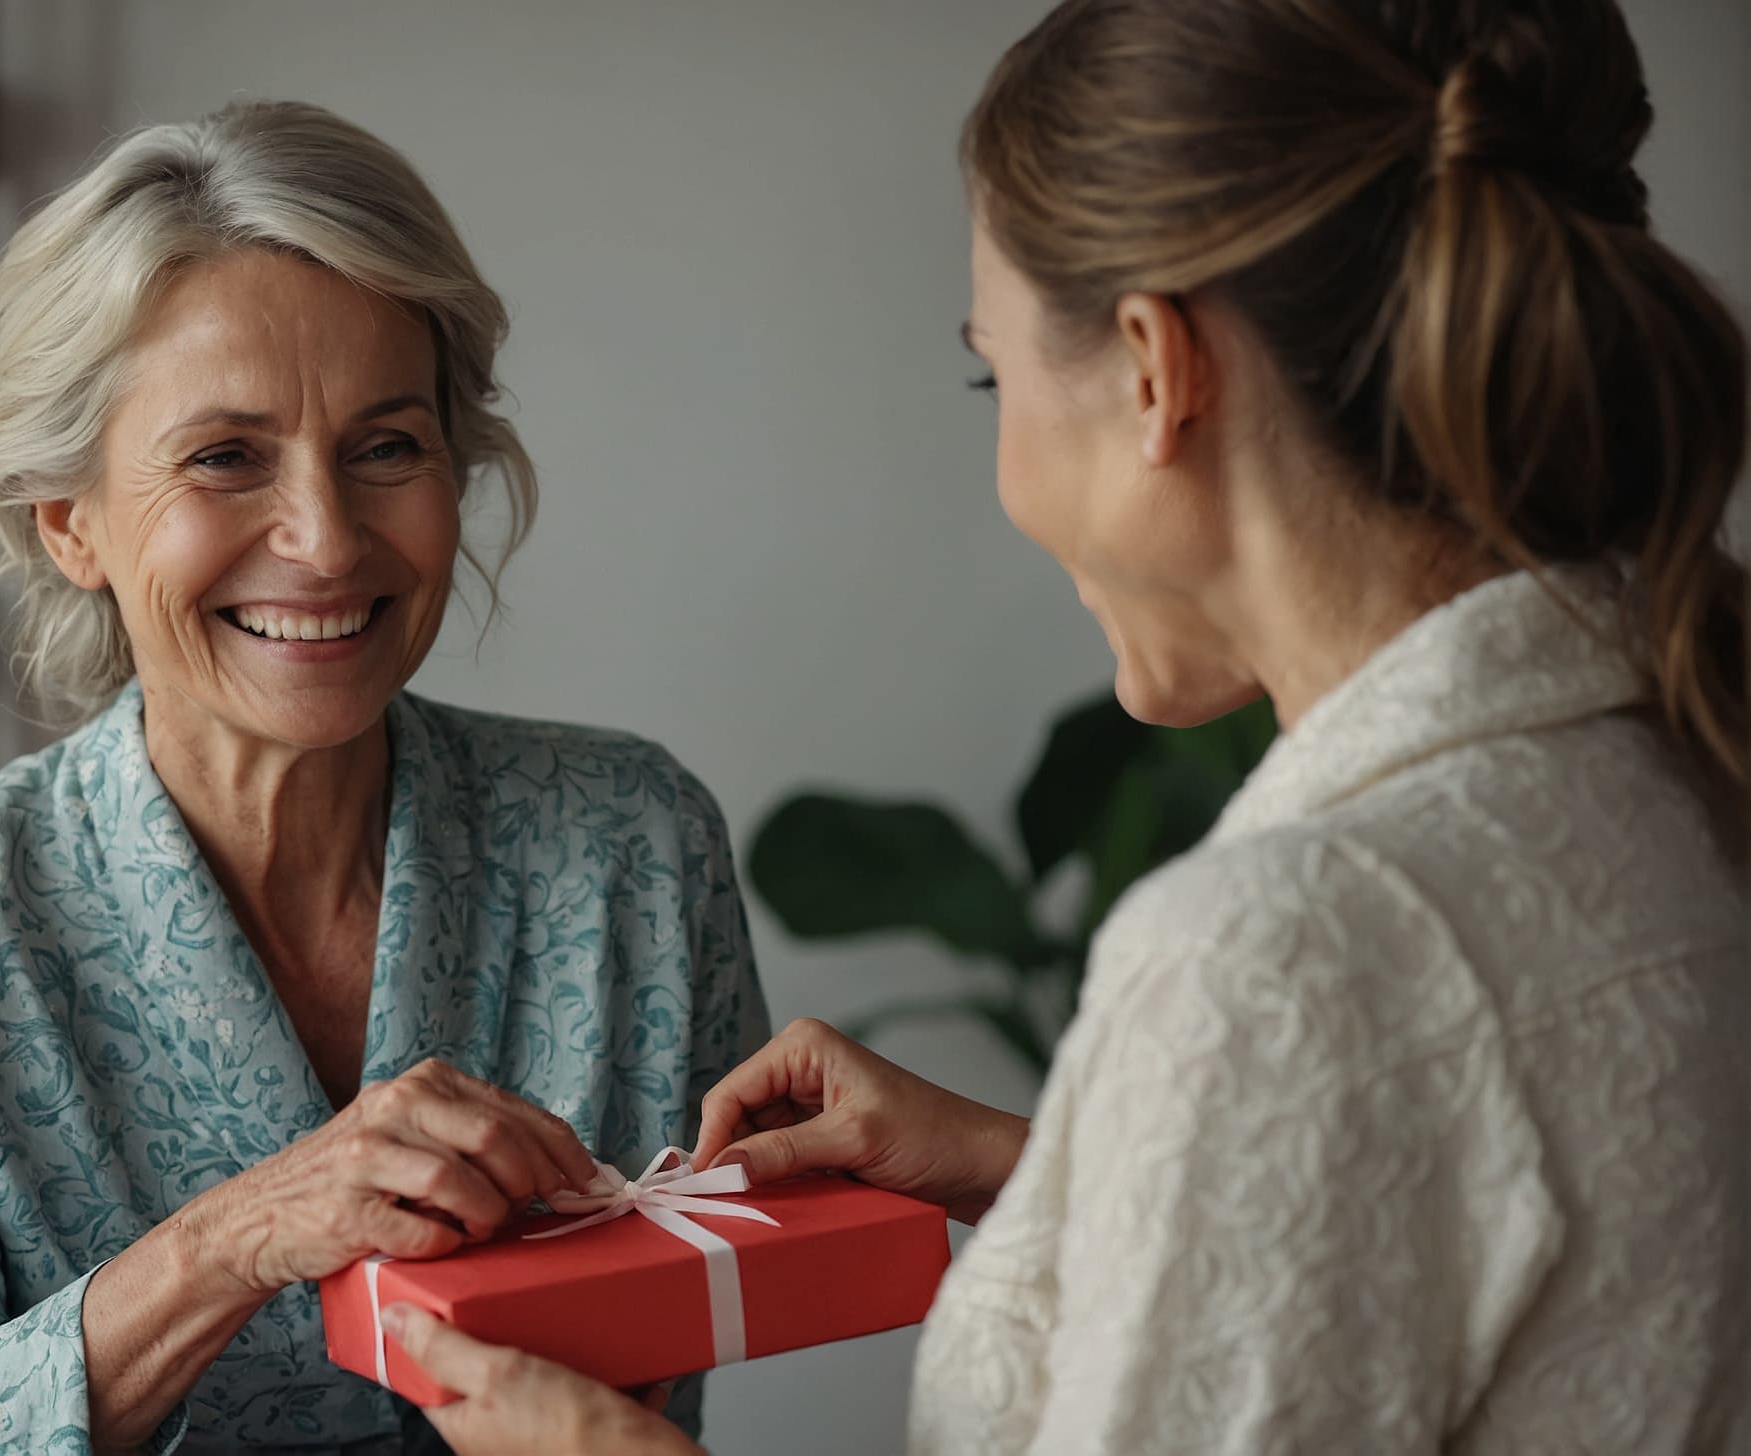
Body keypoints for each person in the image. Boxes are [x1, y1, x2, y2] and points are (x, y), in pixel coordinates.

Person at [385, 1, 1751, 1451]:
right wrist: (1049, 1159)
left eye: (996, 372)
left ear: (1159, 371)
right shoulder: (1672, 763)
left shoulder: (1288, 946)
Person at [0, 100, 768, 1455]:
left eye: (387, 446)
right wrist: (235, 1239)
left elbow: (714, 1296)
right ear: (71, 520)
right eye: (225, 458)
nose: (329, 540)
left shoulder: (631, 845)